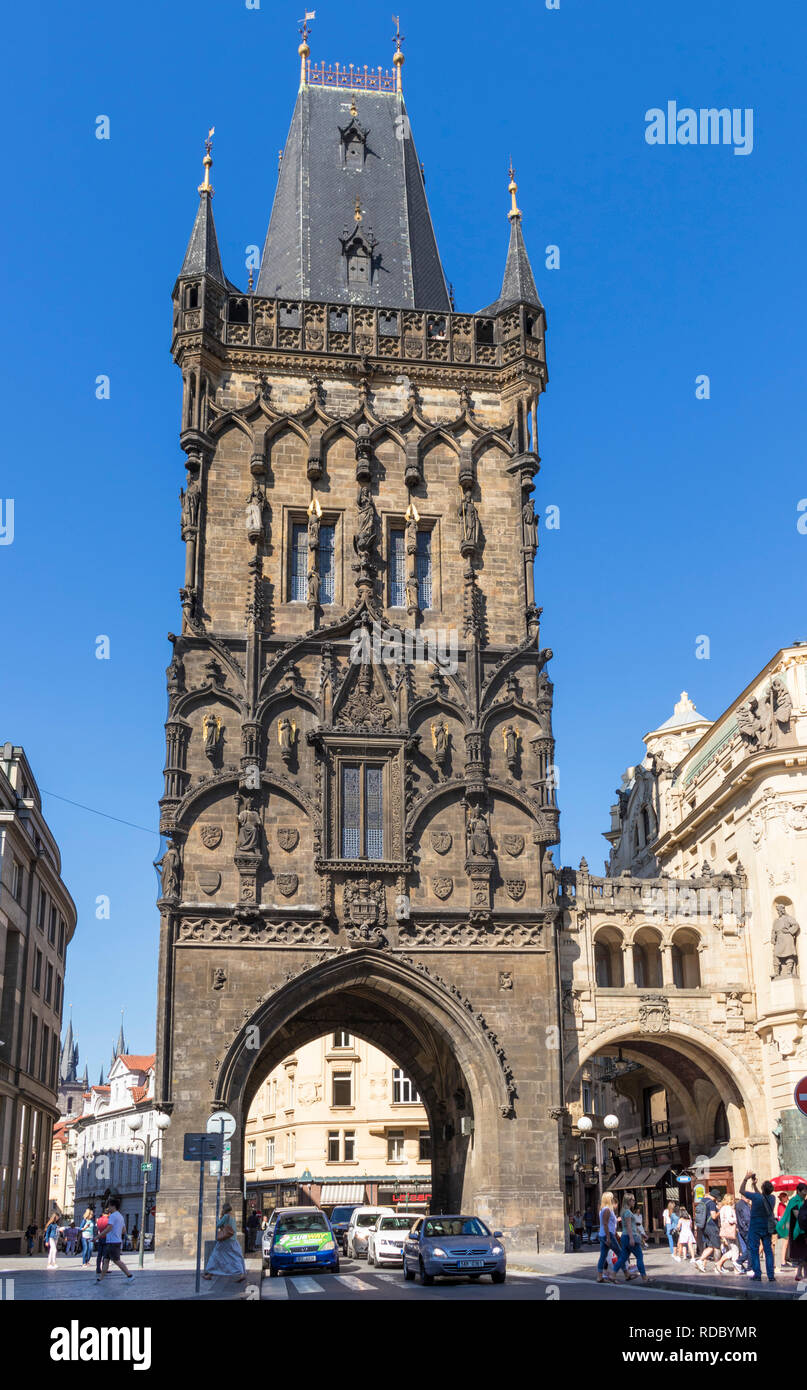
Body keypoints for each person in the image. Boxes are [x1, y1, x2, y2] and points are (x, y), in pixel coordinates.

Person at [739, 1171, 776, 1283]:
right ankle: (771, 1275)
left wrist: (746, 1179)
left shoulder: (756, 1197)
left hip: (755, 1227)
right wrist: (754, 1185)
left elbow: (741, 1191)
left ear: (762, 1188)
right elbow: (762, 1197)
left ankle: (758, 1274)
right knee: (768, 1251)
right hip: (766, 1227)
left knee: (754, 1250)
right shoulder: (772, 1198)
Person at [202, 1203, 246, 1282]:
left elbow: (218, 1225)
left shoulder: (226, 1216)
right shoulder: (233, 1217)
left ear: (224, 1209)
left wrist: (217, 1219)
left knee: (215, 1256)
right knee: (236, 1257)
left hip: (225, 1240)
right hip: (233, 1240)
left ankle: (209, 1274)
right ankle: (241, 1273)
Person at [613, 1194, 649, 1283]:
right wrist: (632, 1238)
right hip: (629, 1236)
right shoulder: (628, 1212)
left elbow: (632, 1226)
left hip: (624, 1237)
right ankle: (644, 1277)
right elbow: (629, 1226)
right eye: (633, 1200)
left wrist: (641, 1233)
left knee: (623, 1258)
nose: (634, 1201)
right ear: (628, 1201)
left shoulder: (624, 1211)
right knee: (639, 1256)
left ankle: (612, 1275)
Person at [97, 1198, 133, 1284]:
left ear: (113, 1206)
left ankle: (129, 1275)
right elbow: (124, 1230)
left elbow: (109, 1228)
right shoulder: (120, 1216)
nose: (107, 1208)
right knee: (105, 1260)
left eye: (109, 1206)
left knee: (116, 1260)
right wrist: (117, 1232)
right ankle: (100, 1279)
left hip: (112, 1242)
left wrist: (98, 1236)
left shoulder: (112, 1216)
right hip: (114, 1241)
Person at [778, 1183, 807, 1282]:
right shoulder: (794, 1201)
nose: (805, 1192)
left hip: (802, 1230)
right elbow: (798, 1217)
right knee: (803, 1254)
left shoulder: (803, 1201)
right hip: (798, 1231)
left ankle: (800, 1274)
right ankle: (802, 1275)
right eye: (804, 1190)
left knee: (803, 1254)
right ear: (798, 1191)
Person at [596, 1190, 621, 1284]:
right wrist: (609, 1238)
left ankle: (600, 1276)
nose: (612, 1198)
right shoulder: (607, 1209)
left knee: (603, 1256)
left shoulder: (603, 1209)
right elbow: (605, 1224)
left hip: (603, 1234)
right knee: (621, 1254)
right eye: (611, 1197)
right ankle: (613, 1275)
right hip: (608, 1234)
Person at [714, 1195, 743, 1275]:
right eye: (732, 1199)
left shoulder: (723, 1208)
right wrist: (737, 1219)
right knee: (735, 1249)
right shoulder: (728, 1208)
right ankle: (732, 1267)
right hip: (730, 1231)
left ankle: (722, 1264)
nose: (733, 1200)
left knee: (733, 1249)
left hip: (726, 1230)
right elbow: (730, 1219)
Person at [694, 1189, 721, 1273]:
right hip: (712, 1227)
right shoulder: (712, 1203)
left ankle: (700, 1261)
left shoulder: (702, 1201)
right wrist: (720, 1211)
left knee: (710, 1246)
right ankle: (717, 1266)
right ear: (715, 1197)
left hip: (704, 1226)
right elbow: (713, 1216)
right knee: (717, 1246)